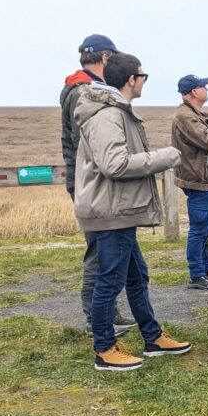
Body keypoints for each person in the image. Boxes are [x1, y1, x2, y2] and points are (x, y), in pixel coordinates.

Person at [73, 53, 193, 371]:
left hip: (119, 208)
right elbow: (115, 164)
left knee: (137, 277)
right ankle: (105, 348)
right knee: (109, 281)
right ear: (131, 80)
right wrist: (163, 157)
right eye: (143, 76)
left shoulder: (115, 111)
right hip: (111, 210)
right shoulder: (107, 115)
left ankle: (152, 337)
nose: (143, 81)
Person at [59, 34, 133, 337]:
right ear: (105, 58)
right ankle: (95, 317)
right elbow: (89, 142)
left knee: (108, 250)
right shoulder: (83, 93)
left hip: (88, 180)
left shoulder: (81, 88)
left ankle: (108, 312)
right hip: (92, 183)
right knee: (99, 251)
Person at [171, 73, 208, 291]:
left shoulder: (192, 113)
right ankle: (197, 273)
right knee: (200, 226)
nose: (207, 90)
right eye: (204, 87)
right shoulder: (185, 116)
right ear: (195, 92)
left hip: (201, 178)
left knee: (206, 223)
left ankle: (205, 265)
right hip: (197, 179)